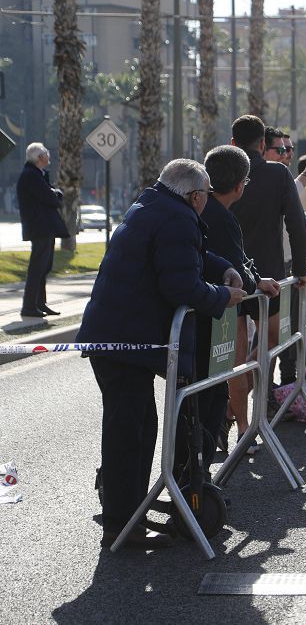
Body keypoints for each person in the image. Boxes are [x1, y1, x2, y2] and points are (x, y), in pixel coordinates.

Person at [77, 159, 246, 549]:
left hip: (119, 337)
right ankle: (121, 526)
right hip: (125, 342)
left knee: (137, 429)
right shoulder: (177, 218)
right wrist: (224, 296)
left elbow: (191, 256)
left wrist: (222, 269)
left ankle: (127, 518)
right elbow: (181, 285)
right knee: (129, 435)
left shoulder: (155, 205)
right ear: (197, 195)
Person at [201, 146, 281, 454]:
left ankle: (228, 426)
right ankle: (241, 429)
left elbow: (240, 260)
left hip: (210, 302)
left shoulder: (205, 208)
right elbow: (237, 264)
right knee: (232, 367)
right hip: (221, 307)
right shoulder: (221, 216)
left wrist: (256, 279)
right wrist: (256, 283)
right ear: (239, 185)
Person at [228, 115, 306, 406]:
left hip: (227, 273)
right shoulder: (277, 173)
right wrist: (300, 270)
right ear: (263, 143)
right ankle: (234, 412)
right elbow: (298, 225)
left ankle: (232, 417)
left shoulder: (219, 170)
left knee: (231, 357)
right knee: (271, 342)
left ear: (233, 142)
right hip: (269, 274)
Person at [17, 142, 70, 317]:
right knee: (37, 268)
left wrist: (54, 193)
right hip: (39, 227)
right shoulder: (30, 176)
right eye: (46, 153)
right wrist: (56, 193)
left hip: (45, 227)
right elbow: (52, 199)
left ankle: (40, 303)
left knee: (44, 267)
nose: (49, 155)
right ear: (40, 157)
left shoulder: (38, 175)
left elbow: (50, 196)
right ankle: (29, 306)